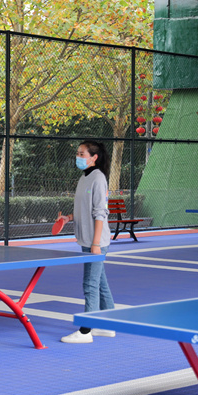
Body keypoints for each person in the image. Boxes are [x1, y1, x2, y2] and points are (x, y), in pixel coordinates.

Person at [59, 139, 116, 344]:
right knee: (100, 282)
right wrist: (68, 217)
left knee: (90, 284)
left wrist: (96, 244)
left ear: (94, 157)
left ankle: (85, 331)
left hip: (96, 241)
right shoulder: (84, 177)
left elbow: (100, 213)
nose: (78, 157)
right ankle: (108, 325)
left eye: (81, 154)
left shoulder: (98, 178)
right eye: (78, 153)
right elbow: (84, 208)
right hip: (87, 239)